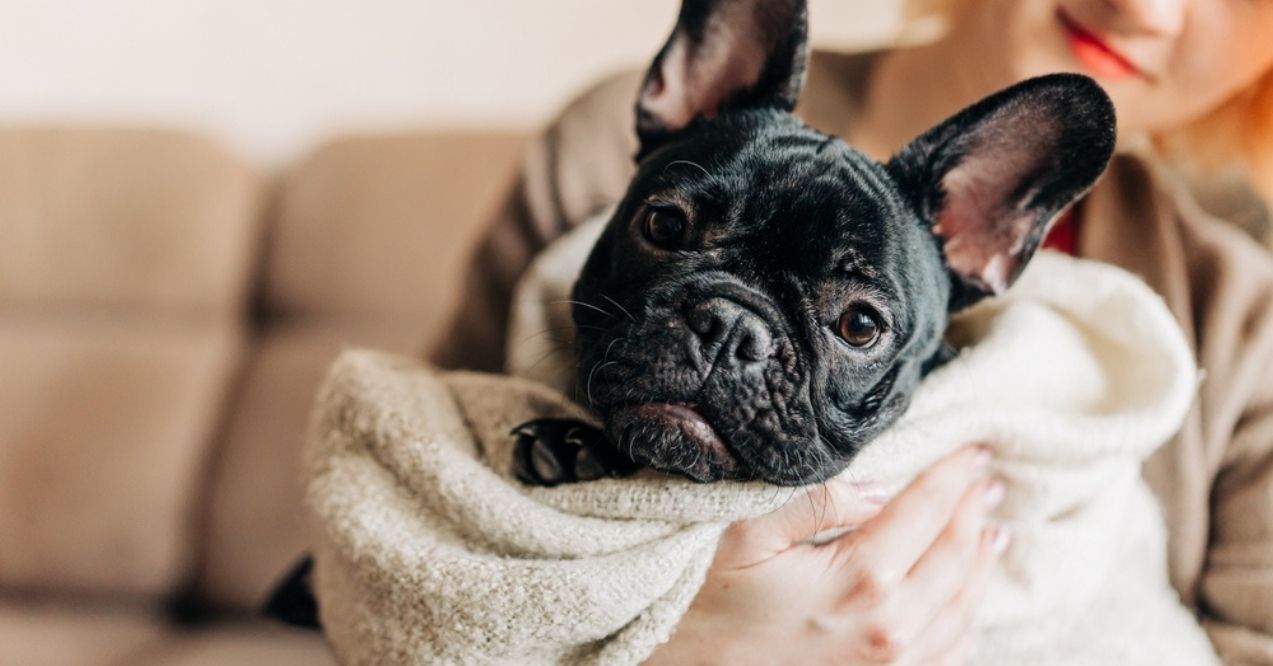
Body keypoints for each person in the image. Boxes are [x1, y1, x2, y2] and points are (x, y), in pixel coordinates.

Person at [431, 0, 1273, 663]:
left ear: (988, 236)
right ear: (683, 94)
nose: (1144, 5)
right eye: (669, 229)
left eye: (858, 320)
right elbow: (423, 501)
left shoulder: (1240, 320)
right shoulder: (600, 151)